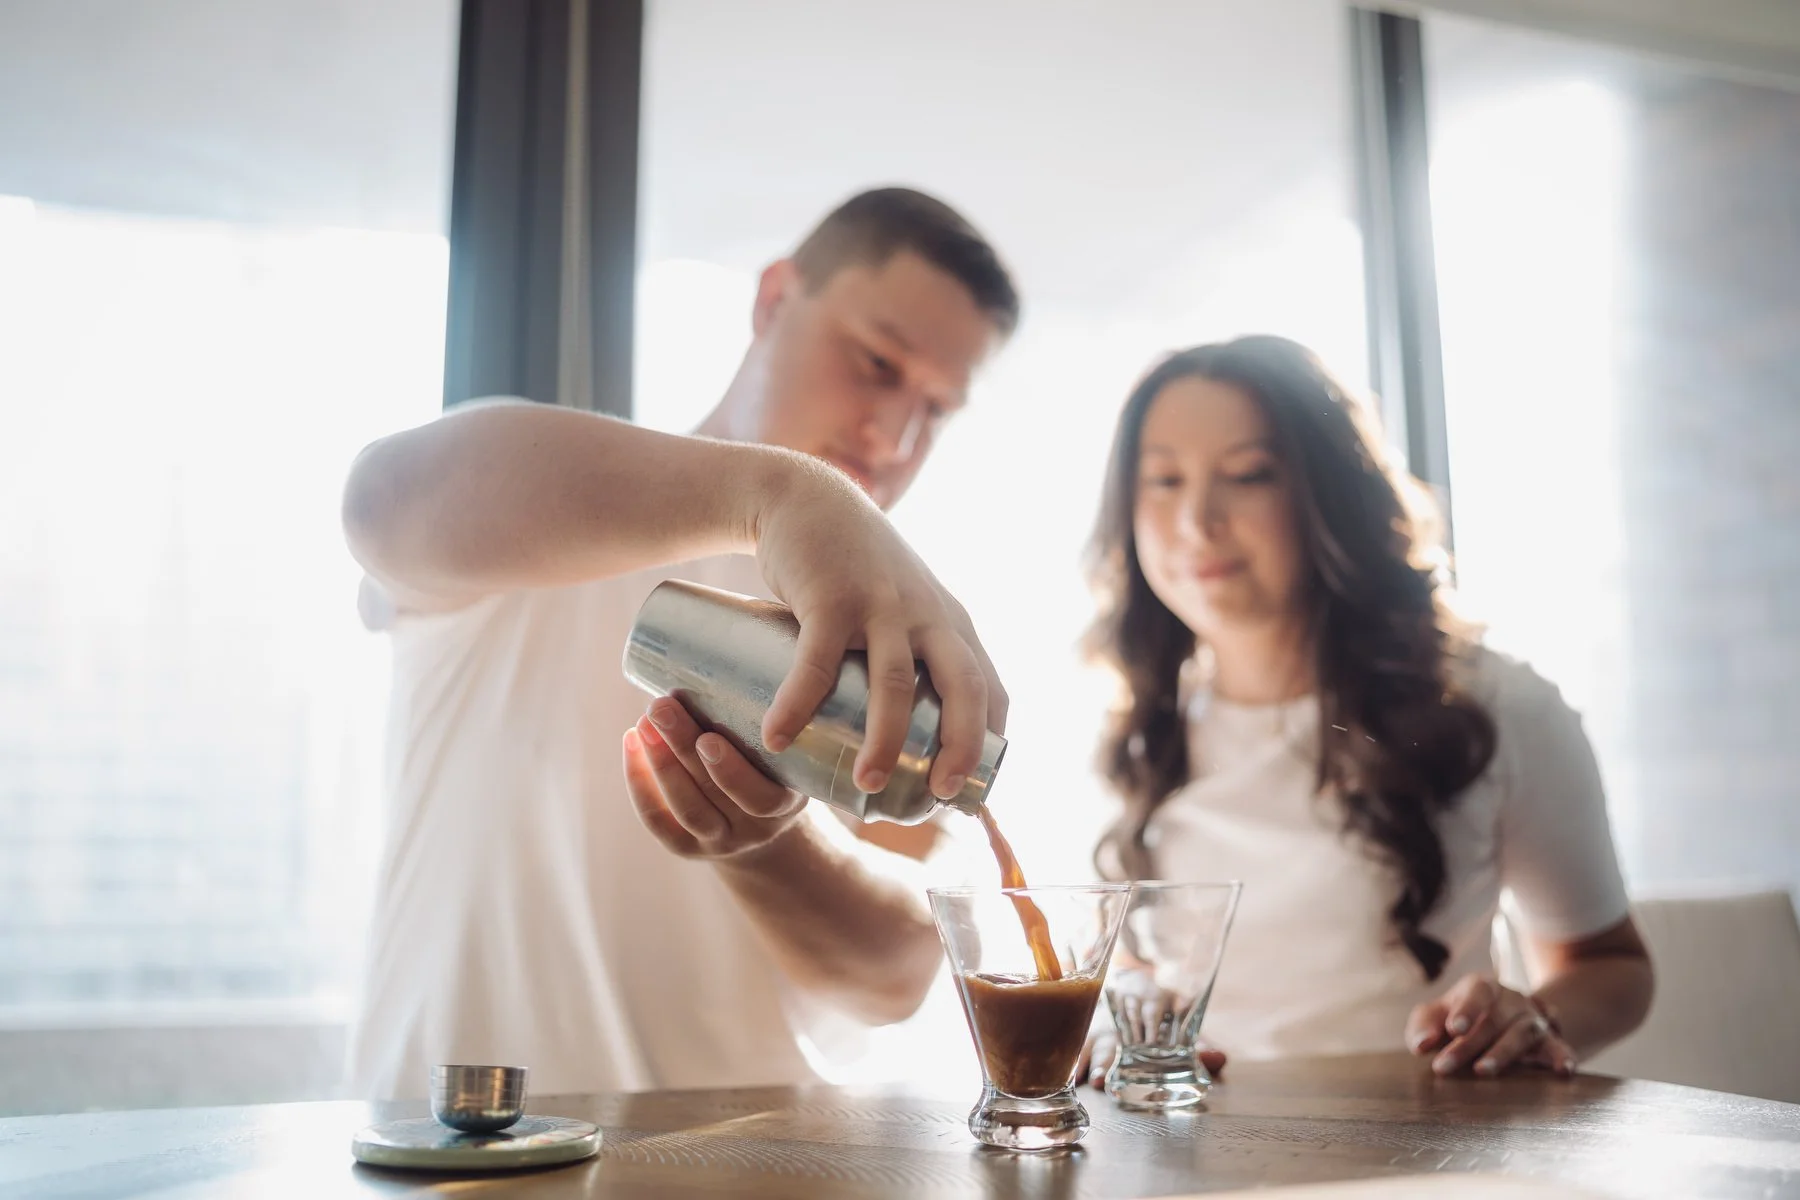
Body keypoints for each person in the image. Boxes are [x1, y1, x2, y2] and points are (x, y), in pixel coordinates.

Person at [341, 188, 1018, 1098]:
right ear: (774, 299)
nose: (894, 437)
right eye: (876, 364)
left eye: (935, 410)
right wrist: (784, 496)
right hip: (462, 1144)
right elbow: (381, 501)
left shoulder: (888, 633)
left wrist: (768, 846)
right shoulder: (558, 504)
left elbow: (893, 978)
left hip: (748, 1159)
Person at [1079, 336, 1653, 1083]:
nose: (1197, 520)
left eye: (1249, 475)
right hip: (1199, 1143)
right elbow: (1142, 966)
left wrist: (1532, 1018)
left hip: (1428, 1137)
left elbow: (1614, 969)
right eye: (1163, 480)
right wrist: (1117, 1009)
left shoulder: (1494, 708)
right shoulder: (1138, 734)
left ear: (1330, 496)